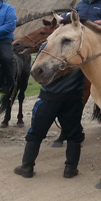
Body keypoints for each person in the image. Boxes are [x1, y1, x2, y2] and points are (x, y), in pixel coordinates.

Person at [14, 43, 86, 179]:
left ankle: (27, 167)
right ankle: (70, 168)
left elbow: (36, 70)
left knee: (36, 132)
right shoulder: (82, 47)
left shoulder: (48, 45)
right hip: (73, 98)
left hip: (49, 97)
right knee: (74, 134)